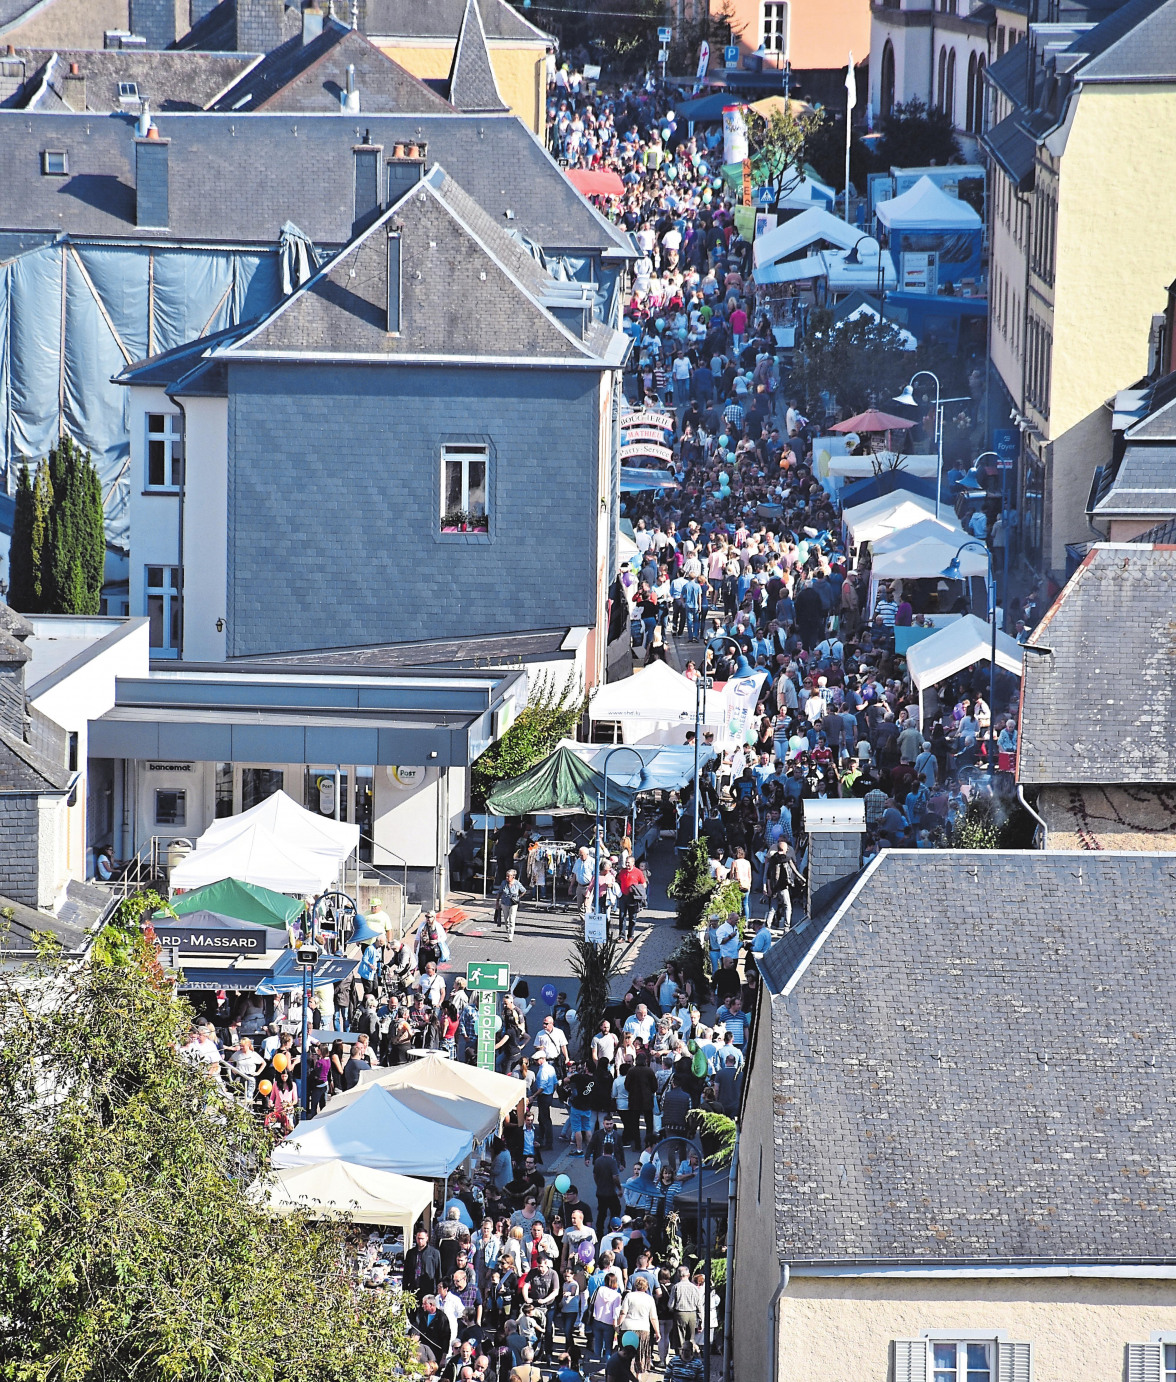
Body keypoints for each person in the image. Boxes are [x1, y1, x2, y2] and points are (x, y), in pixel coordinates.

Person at [667, 1264, 702, 1359]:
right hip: (692, 1314)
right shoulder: (694, 1287)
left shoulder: (676, 1287)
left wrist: (672, 1310)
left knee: (679, 1339)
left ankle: (680, 1359)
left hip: (680, 1313)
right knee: (691, 1338)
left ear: (678, 1275)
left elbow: (670, 1305)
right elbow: (699, 1304)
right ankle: (690, 1358)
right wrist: (701, 1319)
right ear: (689, 1274)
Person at [404, 1228, 442, 1297]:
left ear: (427, 1238)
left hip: (428, 1288)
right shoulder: (411, 1253)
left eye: (422, 1239)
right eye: (418, 1238)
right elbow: (406, 1271)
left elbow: (438, 1272)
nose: (420, 1241)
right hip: (413, 1287)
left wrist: (438, 1290)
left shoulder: (434, 1253)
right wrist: (405, 1288)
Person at [495, 869, 526, 941]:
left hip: (513, 903)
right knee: (506, 919)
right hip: (504, 902)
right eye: (506, 876)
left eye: (508, 876)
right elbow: (499, 892)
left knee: (512, 919)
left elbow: (524, 891)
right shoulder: (503, 883)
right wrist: (497, 901)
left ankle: (510, 935)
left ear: (513, 877)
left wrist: (518, 897)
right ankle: (508, 930)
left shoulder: (517, 883)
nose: (507, 878)